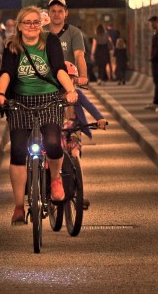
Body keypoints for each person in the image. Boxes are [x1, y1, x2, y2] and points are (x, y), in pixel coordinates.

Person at [0, 6, 79, 225]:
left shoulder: (50, 42)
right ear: (19, 26)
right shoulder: (12, 46)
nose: (32, 26)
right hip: (20, 102)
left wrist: (69, 91)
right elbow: (7, 72)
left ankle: (56, 180)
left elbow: (59, 68)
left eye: (36, 22)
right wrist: (1, 93)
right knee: (18, 150)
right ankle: (19, 206)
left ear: (41, 24)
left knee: (52, 142)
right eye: (27, 23)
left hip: (49, 99)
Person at [61, 61, 106, 209]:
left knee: (75, 154)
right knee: (56, 155)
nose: (69, 81)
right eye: (65, 77)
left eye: (71, 78)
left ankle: (79, 192)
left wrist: (99, 118)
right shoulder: (54, 95)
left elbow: (90, 106)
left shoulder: (78, 94)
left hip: (73, 130)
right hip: (57, 130)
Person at [46, 0, 89, 86]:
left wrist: (83, 76)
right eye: (53, 11)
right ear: (48, 13)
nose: (56, 14)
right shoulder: (41, 31)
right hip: (45, 80)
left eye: (60, 11)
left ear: (66, 13)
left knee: (80, 99)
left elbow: (79, 55)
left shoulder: (74, 32)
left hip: (67, 80)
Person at [143, 16, 158, 110]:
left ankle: (157, 102)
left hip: (157, 61)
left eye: (152, 23)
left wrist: (154, 57)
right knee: (157, 82)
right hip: (156, 60)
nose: (151, 25)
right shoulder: (157, 33)